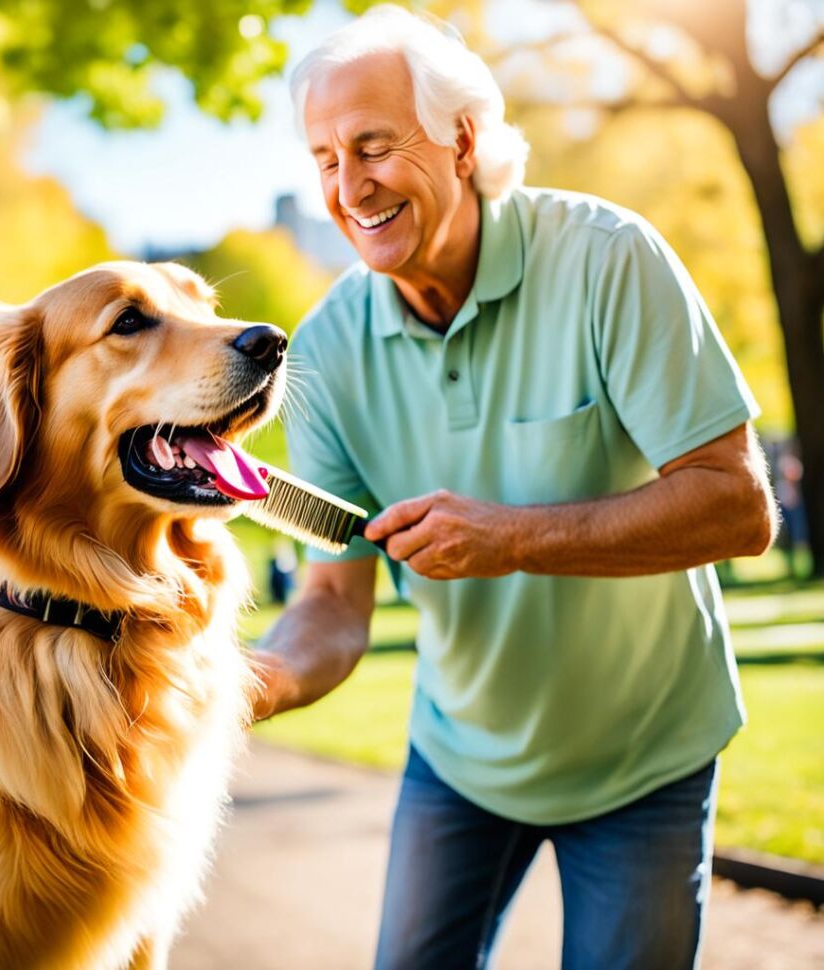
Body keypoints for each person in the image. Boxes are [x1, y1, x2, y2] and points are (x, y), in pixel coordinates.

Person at [250, 7, 778, 969]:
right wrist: (254, 683)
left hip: (645, 753)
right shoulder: (323, 351)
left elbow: (739, 507)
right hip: (461, 758)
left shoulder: (607, 258)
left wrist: (515, 538)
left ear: (460, 140)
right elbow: (331, 601)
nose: (349, 185)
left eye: (373, 145)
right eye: (325, 158)